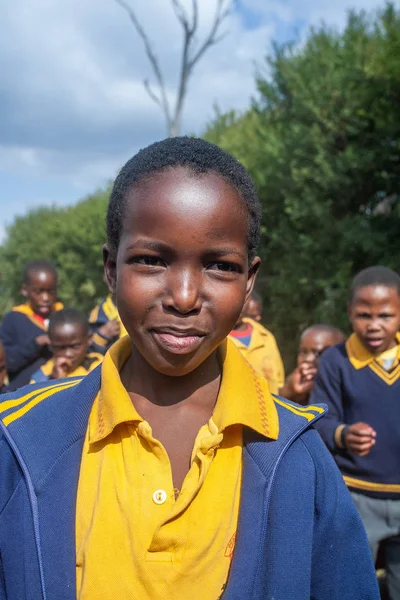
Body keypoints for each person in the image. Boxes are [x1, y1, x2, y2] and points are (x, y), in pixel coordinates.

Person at [0, 137, 378, 600]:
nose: (183, 297)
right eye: (151, 261)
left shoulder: (298, 456)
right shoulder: (20, 440)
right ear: (111, 269)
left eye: (219, 265)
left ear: (249, 280)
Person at [311, 266, 400, 599]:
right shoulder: (336, 360)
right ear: (349, 313)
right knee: (351, 582)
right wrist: (343, 433)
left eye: (386, 315)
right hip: (358, 494)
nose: (374, 324)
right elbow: (321, 419)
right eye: (363, 315)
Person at [0, 260, 63, 389]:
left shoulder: (64, 316)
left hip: (59, 389)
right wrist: (36, 344)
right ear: (25, 290)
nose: (45, 298)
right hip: (23, 394)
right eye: (38, 292)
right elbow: (7, 362)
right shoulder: (13, 319)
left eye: (50, 291)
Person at [229, 296, 284, 394]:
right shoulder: (215, 340)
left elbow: (279, 381)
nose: (236, 306)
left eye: (242, 299)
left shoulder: (265, 336)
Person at [30, 308, 103, 383]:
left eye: (74, 346)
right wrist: (54, 381)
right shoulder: (43, 376)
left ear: (89, 339)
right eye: (60, 347)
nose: (68, 354)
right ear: (51, 345)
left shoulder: (100, 367)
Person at [280, 324, 345, 405]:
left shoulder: (348, 389)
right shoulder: (293, 387)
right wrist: (288, 391)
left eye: (318, 353)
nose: (308, 359)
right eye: (303, 352)